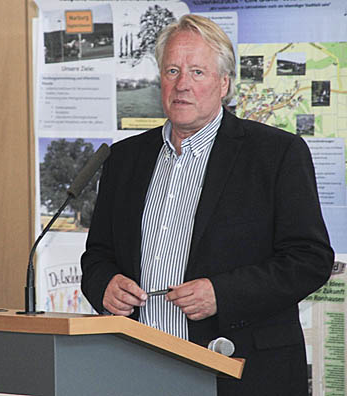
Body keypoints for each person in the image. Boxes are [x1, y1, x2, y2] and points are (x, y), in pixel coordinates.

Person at [80, 14, 333, 396]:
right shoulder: (124, 159)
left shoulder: (276, 154)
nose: (182, 85)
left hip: (242, 374)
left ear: (224, 83)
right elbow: (98, 255)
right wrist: (104, 286)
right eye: (172, 70)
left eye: (197, 72)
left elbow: (310, 259)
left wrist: (223, 293)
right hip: (137, 369)